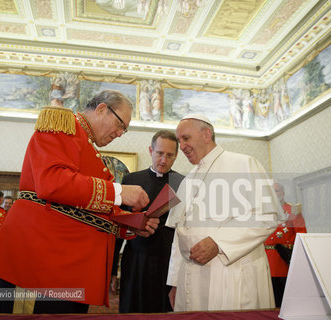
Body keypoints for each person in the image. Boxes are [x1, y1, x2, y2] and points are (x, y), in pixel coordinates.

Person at [0, 90, 158, 314]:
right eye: (120, 124)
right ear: (102, 109)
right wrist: (119, 192)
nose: (120, 133)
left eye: (124, 129)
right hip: (38, 260)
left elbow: (82, 206)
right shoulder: (62, 125)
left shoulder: (86, 145)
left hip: (65, 267)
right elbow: (51, 182)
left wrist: (133, 222)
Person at [165, 114, 285, 311]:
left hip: (232, 274)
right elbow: (179, 236)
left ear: (206, 134)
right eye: (179, 141)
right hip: (190, 279)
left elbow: (266, 217)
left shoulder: (244, 164)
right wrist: (174, 282)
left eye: (186, 138)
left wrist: (218, 243)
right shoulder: (186, 181)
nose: (182, 146)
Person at [116, 130, 185, 313]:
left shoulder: (183, 183)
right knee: (133, 307)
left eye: (169, 155)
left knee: (163, 310)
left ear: (176, 156)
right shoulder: (131, 180)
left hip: (167, 261)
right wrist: (113, 270)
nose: (163, 160)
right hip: (136, 258)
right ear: (150, 150)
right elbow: (119, 223)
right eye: (159, 153)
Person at [264, 183, 307, 307]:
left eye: (276, 191)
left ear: (282, 193)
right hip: (266, 262)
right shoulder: (265, 212)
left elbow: (302, 235)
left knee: (285, 302)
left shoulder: (292, 211)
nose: (274, 194)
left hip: (283, 261)